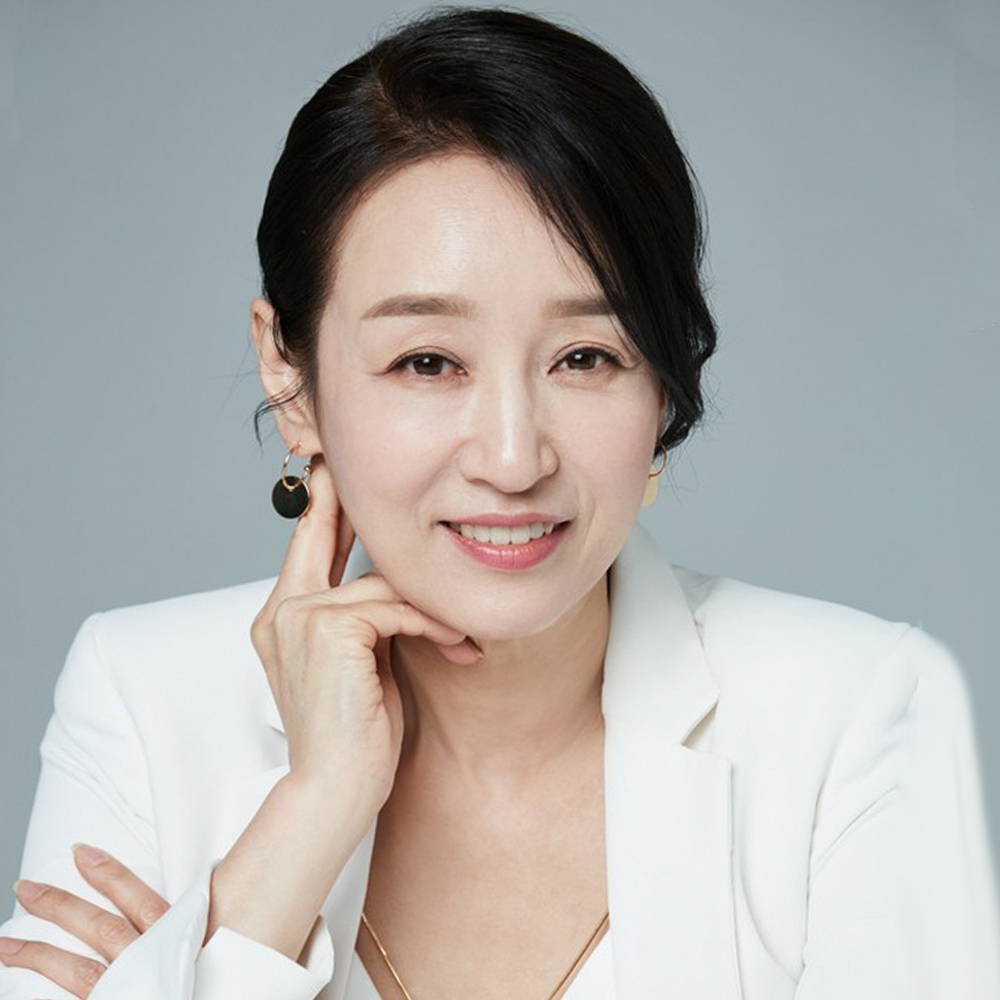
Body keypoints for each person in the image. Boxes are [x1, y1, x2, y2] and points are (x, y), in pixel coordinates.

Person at [1, 7, 998, 1000]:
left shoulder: (861, 713)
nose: (514, 460)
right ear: (290, 374)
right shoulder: (142, 698)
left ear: (663, 381)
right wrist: (310, 812)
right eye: (427, 361)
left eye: (586, 357)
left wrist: (180, 971)